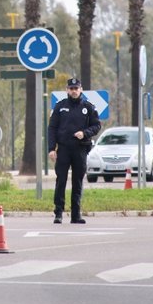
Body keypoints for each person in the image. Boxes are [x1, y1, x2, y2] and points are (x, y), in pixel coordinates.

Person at [47, 78, 101, 224]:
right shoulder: (60, 106)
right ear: (67, 90)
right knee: (61, 181)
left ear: (81, 90)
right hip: (63, 149)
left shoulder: (88, 107)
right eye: (71, 88)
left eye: (76, 88)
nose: (74, 91)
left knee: (77, 182)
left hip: (80, 149)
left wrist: (85, 133)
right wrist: (51, 149)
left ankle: (76, 215)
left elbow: (96, 126)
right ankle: (58, 213)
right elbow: (52, 128)